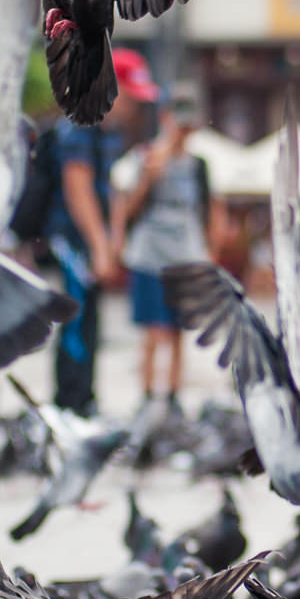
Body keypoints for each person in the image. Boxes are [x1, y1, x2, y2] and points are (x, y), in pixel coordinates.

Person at [47, 47, 155, 415]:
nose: (135, 107)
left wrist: (115, 239)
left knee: (91, 318)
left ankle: (84, 398)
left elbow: (111, 191)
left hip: (94, 241)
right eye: (132, 97)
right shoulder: (80, 124)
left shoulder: (110, 131)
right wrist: (99, 246)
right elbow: (78, 189)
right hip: (72, 239)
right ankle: (69, 403)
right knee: (75, 317)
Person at [112, 81, 211, 416]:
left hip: (185, 253)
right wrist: (149, 177)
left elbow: (208, 210)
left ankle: (172, 396)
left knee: (179, 330)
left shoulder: (199, 165)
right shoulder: (145, 157)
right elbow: (128, 210)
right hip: (150, 252)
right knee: (152, 330)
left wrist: (208, 254)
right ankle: (146, 394)